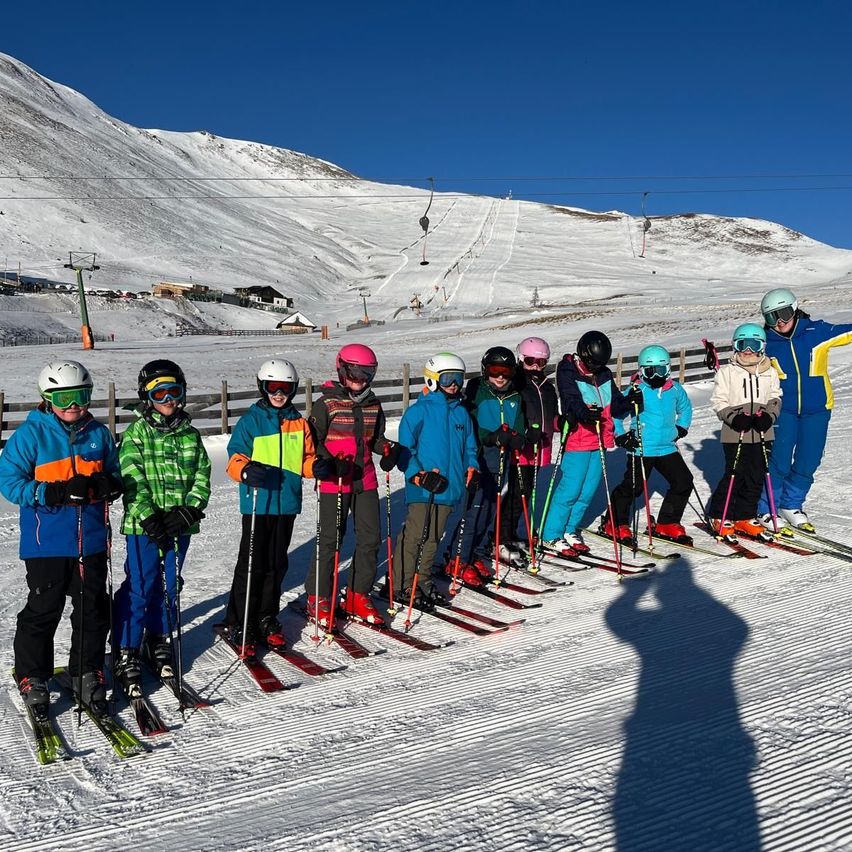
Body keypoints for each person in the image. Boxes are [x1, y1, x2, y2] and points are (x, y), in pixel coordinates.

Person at [0, 361, 122, 716]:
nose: (74, 404)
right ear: (47, 397)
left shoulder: (98, 434)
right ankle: (32, 676)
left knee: (93, 610)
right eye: (64, 397)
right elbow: (9, 483)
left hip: (93, 541)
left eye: (81, 396)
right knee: (43, 609)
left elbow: (116, 474)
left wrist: (107, 485)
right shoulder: (31, 435)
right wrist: (50, 493)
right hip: (46, 543)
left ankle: (86, 671)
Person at [112, 360, 211, 695]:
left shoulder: (190, 435)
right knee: (142, 585)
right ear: (146, 396)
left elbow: (202, 476)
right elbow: (130, 479)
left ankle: (157, 638)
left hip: (177, 527)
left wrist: (190, 510)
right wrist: (147, 516)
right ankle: (126, 648)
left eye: (174, 391)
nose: (168, 398)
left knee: (170, 584)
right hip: (145, 528)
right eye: (159, 392)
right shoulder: (136, 435)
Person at [222, 359, 317, 652]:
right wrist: (246, 470)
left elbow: (306, 460)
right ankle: (241, 621)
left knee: (276, 564)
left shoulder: (299, 423)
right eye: (273, 387)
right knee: (252, 565)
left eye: (285, 388)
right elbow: (234, 457)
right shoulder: (251, 420)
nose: (279, 393)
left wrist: (319, 467)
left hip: (286, 503)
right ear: (262, 388)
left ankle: (266, 617)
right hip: (257, 503)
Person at [305, 344, 399, 626]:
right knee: (331, 539)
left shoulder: (373, 404)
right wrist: (328, 463)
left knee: (371, 538)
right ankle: (319, 596)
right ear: (342, 369)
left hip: (365, 479)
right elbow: (313, 442)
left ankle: (358, 594)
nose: (360, 378)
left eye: (366, 372)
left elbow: (376, 439)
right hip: (336, 480)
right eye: (354, 371)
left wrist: (388, 449)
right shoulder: (326, 404)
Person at [757, 287, 852, 531]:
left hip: (817, 408)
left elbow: (847, 332)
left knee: (809, 459)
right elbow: (744, 363)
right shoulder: (765, 342)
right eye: (772, 317)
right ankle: (767, 508)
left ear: (795, 308)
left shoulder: (816, 331)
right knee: (778, 461)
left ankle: (791, 504)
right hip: (782, 410)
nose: (779, 322)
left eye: (784, 313)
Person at [390, 353, 479, 609]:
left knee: (433, 538)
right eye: (448, 378)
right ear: (432, 380)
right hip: (424, 487)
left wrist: (471, 466)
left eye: (459, 379)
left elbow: (470, 449)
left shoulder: (461, 414)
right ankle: (402, 584)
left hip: (449, 488)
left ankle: (423, 580)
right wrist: (418, 475)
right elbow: (405, 451)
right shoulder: (418, 412)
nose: (454, 384)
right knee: (416, 535)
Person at [540, 330, 641, 554]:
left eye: (599, 364)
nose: (594, 368)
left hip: (600, 439)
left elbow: (614, 404)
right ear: (582, 354)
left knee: (587, 491)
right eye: (591, 363)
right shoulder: (567, 371)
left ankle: (569, 529)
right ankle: (551, 533)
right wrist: (584, 414)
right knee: (570, 490)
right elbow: (570, 400)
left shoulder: (603, 374)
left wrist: (629, 402)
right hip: (578, 439)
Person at [602, 345, 694, 544]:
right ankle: (614, 522)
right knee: (633, 487)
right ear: (641, 370)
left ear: (668, 369)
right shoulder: (636, 390)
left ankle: (667, 522)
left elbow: (685, 409)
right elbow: (617, 415)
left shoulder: (675, 390)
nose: (654, 376)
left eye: (660, 371)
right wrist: (621, 436)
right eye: (649, 371)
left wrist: (681, 428)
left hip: (667, 447)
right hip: (641, 447)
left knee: (683, 482)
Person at [454, 346, 525, 581]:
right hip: (480, 460)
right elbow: (471, 425)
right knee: (474, 512)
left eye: (505, 371)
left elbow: (521, 426)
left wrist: (518, 437)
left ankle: (472, 554)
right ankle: (457, 558)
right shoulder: (477, 392)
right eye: (495, 371)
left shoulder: (515, 396)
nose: (501, 377)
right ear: (485, 371)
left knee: (490, 512)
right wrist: (491, 436)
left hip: (501, 463)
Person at [708, 324, 781, 536]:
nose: (747, 351)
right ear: (735, 346)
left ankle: (744, 516)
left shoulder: (770, 372)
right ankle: (720, 515)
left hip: (762, 431)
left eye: (753, 345)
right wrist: (733, 417)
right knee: (734, 474)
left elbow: (775, 397)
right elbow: (719, 401)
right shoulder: (727, 372)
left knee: (756, 475)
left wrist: (768, 416)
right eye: (742, 345)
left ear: (762, 347)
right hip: (735, 432)